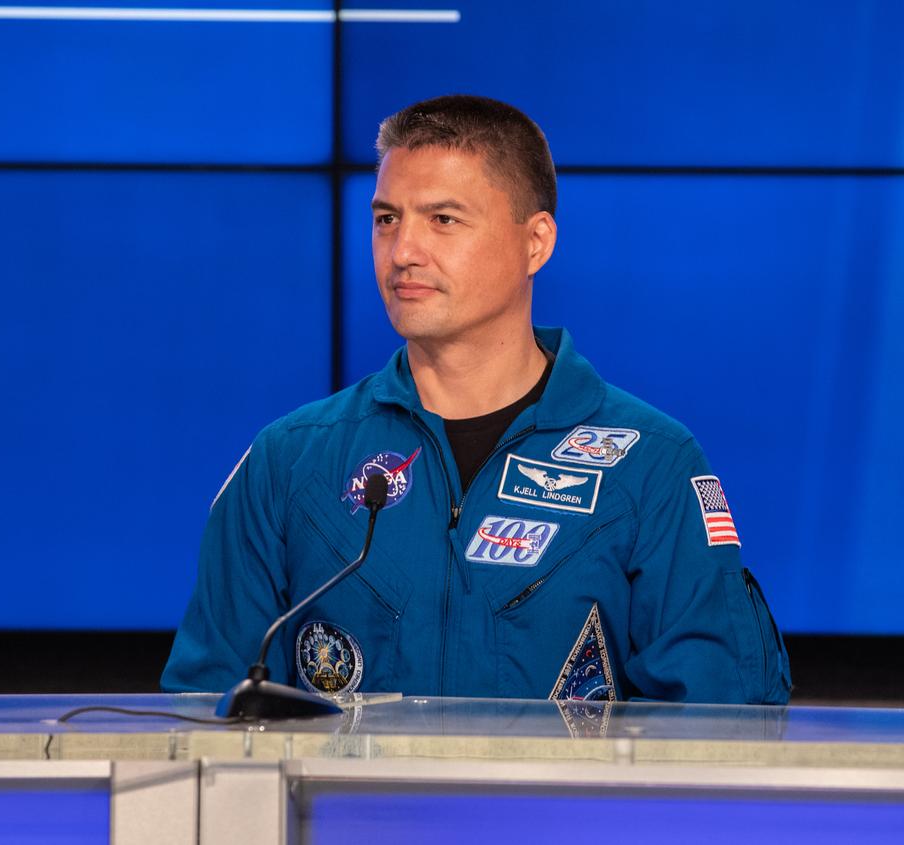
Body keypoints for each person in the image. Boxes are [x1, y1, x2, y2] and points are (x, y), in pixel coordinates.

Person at [162, 95, 791, 704]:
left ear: (536, 243)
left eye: (443, 219)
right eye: (386, 219)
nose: (403, 252)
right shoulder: (289, 460)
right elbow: (206, 714)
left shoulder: (653, 463)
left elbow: (727, 730)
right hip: (350, 815)